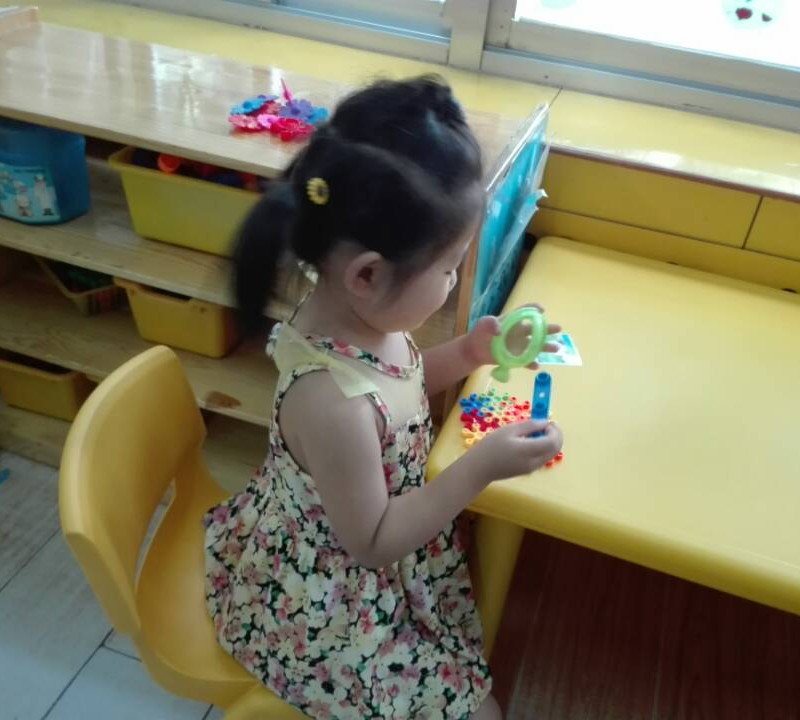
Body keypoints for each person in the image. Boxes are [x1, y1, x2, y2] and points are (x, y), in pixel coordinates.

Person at [204, 75, 564, 720]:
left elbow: (402, 387)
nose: (454, 283)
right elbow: (371, 542)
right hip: (331, 594)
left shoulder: (362, 322)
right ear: (368, 274)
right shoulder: (331, 403)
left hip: (379, 539)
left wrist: (473, 352)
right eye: (449, 267)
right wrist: (479, 467)